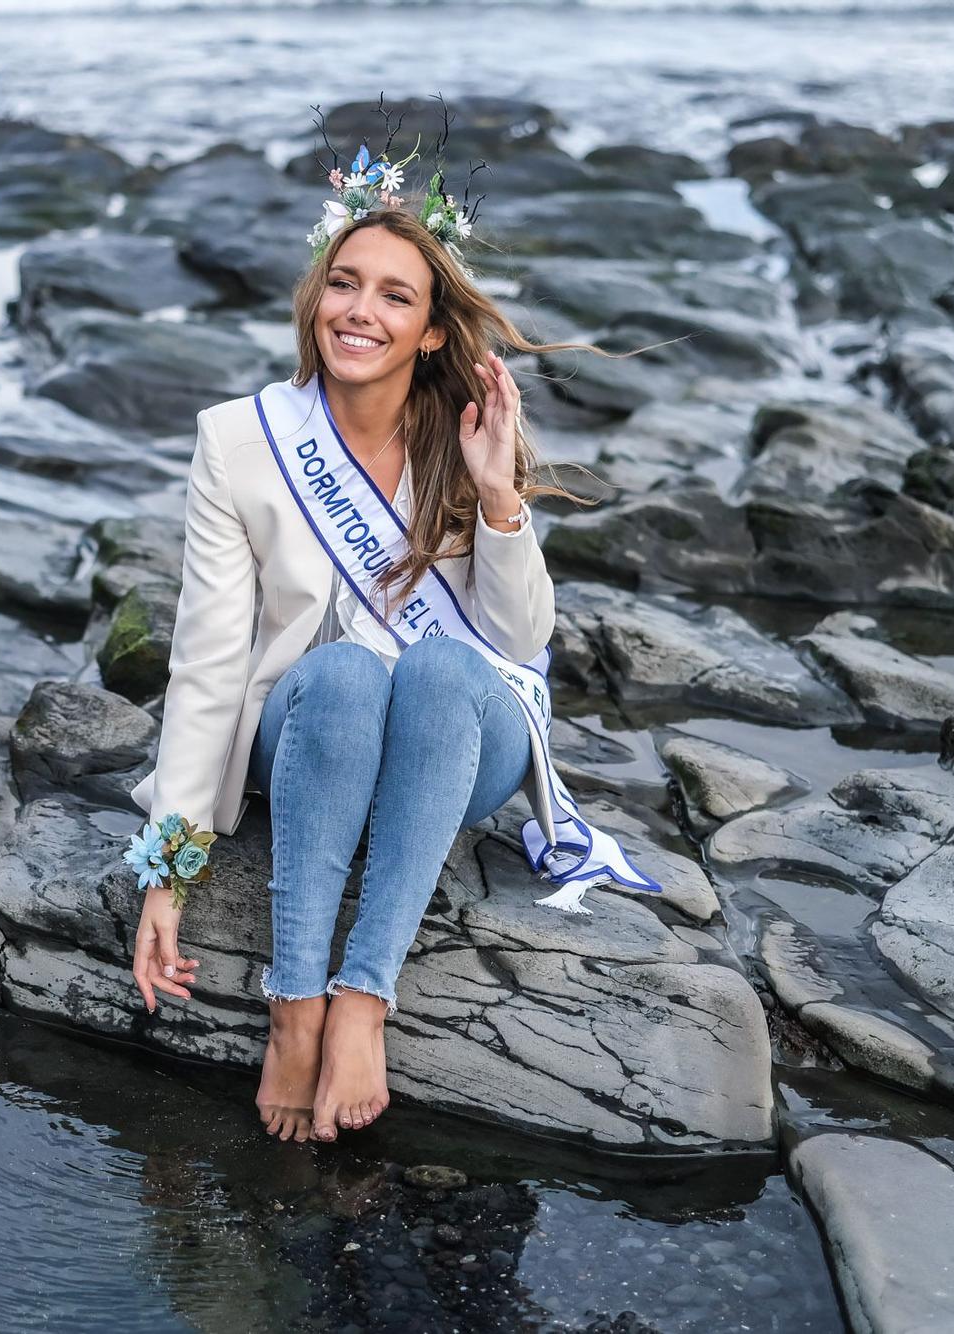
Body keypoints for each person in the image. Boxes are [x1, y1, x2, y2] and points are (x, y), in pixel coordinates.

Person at [125, 132, 653, 1144]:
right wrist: (168, 866)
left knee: (445, 664)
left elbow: (521, 636)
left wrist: (498, 495)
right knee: (336, 673)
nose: (359, 310)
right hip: (314, 730)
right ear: (314, 297)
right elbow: (203, 663)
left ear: (425, 330)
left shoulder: (461, 431)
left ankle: (360, 997)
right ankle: (294, 1007)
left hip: (457, 740)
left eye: (394, 296)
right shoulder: (239, 441)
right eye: (343, 284)